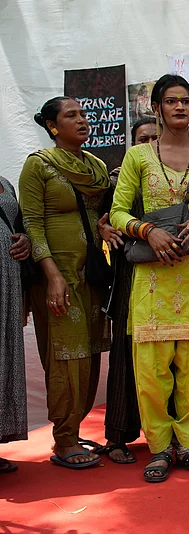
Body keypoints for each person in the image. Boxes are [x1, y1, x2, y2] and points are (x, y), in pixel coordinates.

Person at [110, 74, 189, 483]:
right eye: (171, 101)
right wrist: (148, 230)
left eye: (186, 100)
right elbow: (119, 212)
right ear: (156, 108)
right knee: (152, 371)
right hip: (153, 280)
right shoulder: (138, 157)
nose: (180, 107)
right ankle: (160, 448)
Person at [19, 96, 111, 468]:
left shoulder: (97, 167)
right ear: (53, 126)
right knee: (64, 357)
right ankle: (64, 438)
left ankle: (75, 430)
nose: (82, 120)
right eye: (70, 115)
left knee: (88, 353)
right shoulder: (38, 166)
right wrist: (52, 274)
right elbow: (31, 223)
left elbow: (104, 213)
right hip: (56, 278)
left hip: (90, 275)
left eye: (83, 114)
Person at [93, 114, 160, 465]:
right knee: (123, 357)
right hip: (128, 280)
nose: (148, 144)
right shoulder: (119, 180)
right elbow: (93, 218)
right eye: (142, 138)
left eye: (154, 138)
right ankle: (117, 437)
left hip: (166, 283)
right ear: (132, 144)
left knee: (167, 361)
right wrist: (101, 230)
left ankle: (168, 438)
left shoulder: (171, 178)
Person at [0, 173, 32, 474]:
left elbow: (18, 226)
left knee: (4, 359)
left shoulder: (4, 182)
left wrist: (24, 239)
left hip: (8, 284)